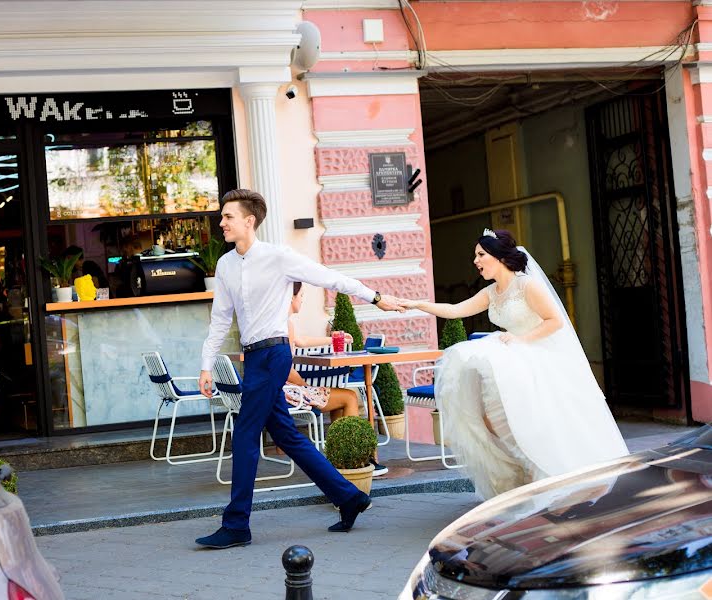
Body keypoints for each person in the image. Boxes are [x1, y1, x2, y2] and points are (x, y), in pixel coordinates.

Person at [195, 189, 407, 549]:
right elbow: (219, 320)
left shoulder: (279, 257)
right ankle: (350, 497)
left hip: (275, 354)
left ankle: (236, 525)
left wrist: (375, 298)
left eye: (228, 216)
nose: (222, 223)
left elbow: (329, 277)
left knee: (245, 435)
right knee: (289, 437)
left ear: (250, 220)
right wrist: (206, 366)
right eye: (223, 217)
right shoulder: (226, 265)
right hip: (253, 358)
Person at [399, 229, 628, 499]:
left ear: (498, 256)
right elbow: (456, 309)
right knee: (488, 415)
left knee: (531, 419)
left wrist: (522, 340)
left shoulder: (527, 286)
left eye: (481, 254)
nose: (476, 260)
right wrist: (415, 304)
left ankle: (544, 471)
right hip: (513, 357)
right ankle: (523, 466)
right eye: (476, 255)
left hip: (537, 356)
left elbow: (555, 322)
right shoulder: (491, 292)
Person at [283, 283, 390, 476]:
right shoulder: (283, 324)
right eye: (301, 295)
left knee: (339, 399)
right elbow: (285, 370)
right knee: (349, 397)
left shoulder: (282, 323)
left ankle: (341, 459)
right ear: (291, 298)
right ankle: (358, 461)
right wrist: (306, 386)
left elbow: (302, 341)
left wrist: (332, 339)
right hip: (290, 392)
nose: (302, 299)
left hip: (284, 389)